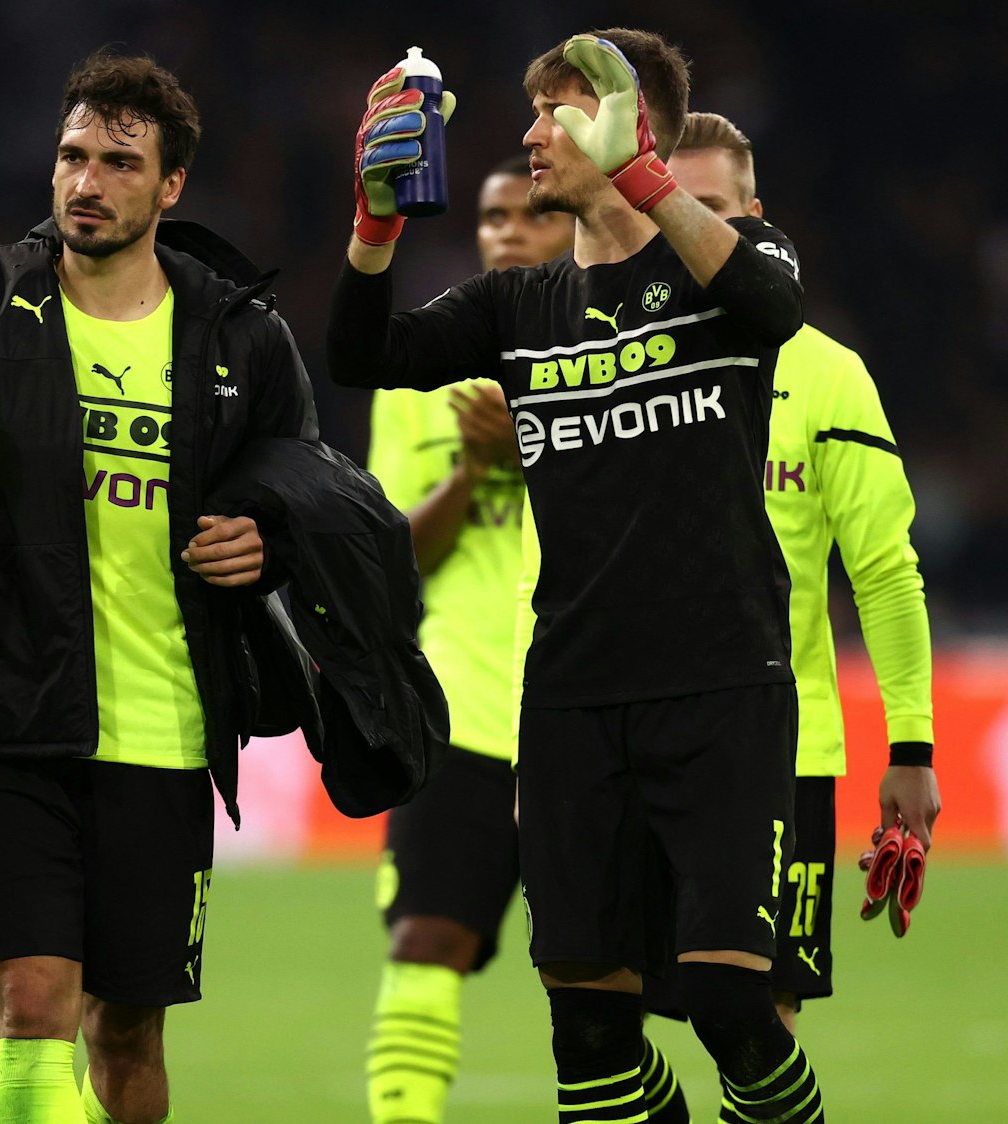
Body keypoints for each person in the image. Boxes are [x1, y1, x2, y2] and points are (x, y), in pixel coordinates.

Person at [331, 28, 825, 1124]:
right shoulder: (519, 308)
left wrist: (645, 177)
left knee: (728, 1003)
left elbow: (775, 309)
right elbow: (363, 354)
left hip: (722, 687)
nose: (526, 134)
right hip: (566, 698)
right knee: (588, 1029)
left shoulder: (733, 263)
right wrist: (374, 224)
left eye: (553, 111)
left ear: (622, 119)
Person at [0, 51, 318, 1124]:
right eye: (74, 155)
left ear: (170, 187)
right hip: (4, 719)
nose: (87, 181)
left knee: (127, 1030)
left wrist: (265, 538)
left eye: (120, 162)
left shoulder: (238, 333)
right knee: (32, 1006)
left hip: (164, 733)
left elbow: (305, 491)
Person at [665, 110, 941, 1030]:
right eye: (672, 206)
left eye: (713, 209)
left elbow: (885, 572)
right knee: (603, 1012)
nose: (692, 230)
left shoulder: (825, 374)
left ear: (753, 217)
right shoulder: (611, 364)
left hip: (781, 748)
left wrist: (910, 747)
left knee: (756, 1016)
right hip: (628, 739)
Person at [359, 157, 578, 1124]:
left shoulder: (616, 359)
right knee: (424, 943)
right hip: (460, 711)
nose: (508, 231)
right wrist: (473, 470)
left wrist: (533, 439)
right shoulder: (420, 379)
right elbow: (390, 556)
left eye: (532, 213)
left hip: (584, 716)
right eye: (491, 217)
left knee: (605, 977)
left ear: (575, 225)